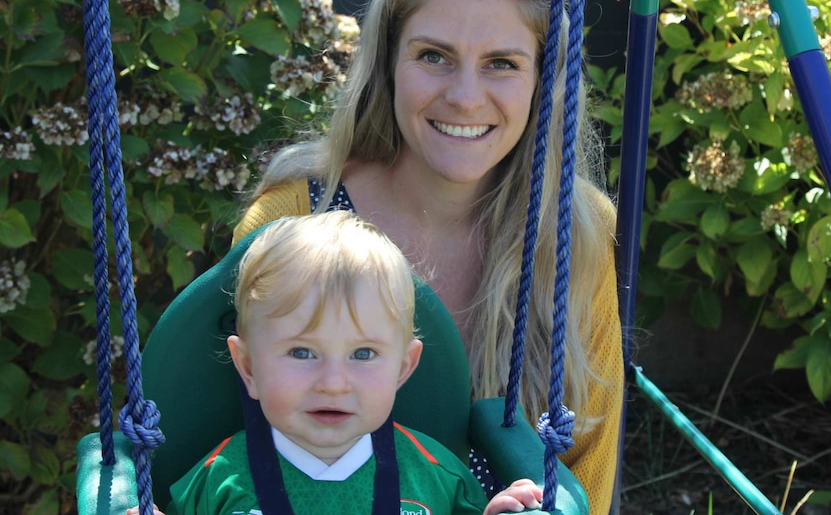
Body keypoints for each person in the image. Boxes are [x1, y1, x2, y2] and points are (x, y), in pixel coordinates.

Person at [234, 0, 624, 514]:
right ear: (388, 63)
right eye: (434, 56)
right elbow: (217, 444)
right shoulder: (294, 217)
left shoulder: (574, 232)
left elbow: (587, 467)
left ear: (544, 82)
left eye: (502, 63)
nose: (466, 96)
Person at [129, 212, 543, 515]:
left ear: (403, 368)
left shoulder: (435, 474)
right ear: (249, 368)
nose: (332, 382)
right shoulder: (219, 478)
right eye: (301, 352)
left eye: (363, 354)